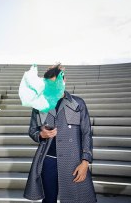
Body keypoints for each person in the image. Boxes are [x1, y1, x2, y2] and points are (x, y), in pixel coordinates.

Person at [24, 64, 97, 203]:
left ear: (64, 80)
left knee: (75, 199)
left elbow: (86, 133)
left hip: (73, 161)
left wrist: (85, 162)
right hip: (48, 160)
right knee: (49, 199)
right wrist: (41, 134)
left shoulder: (78, 103)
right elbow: (32, 130)